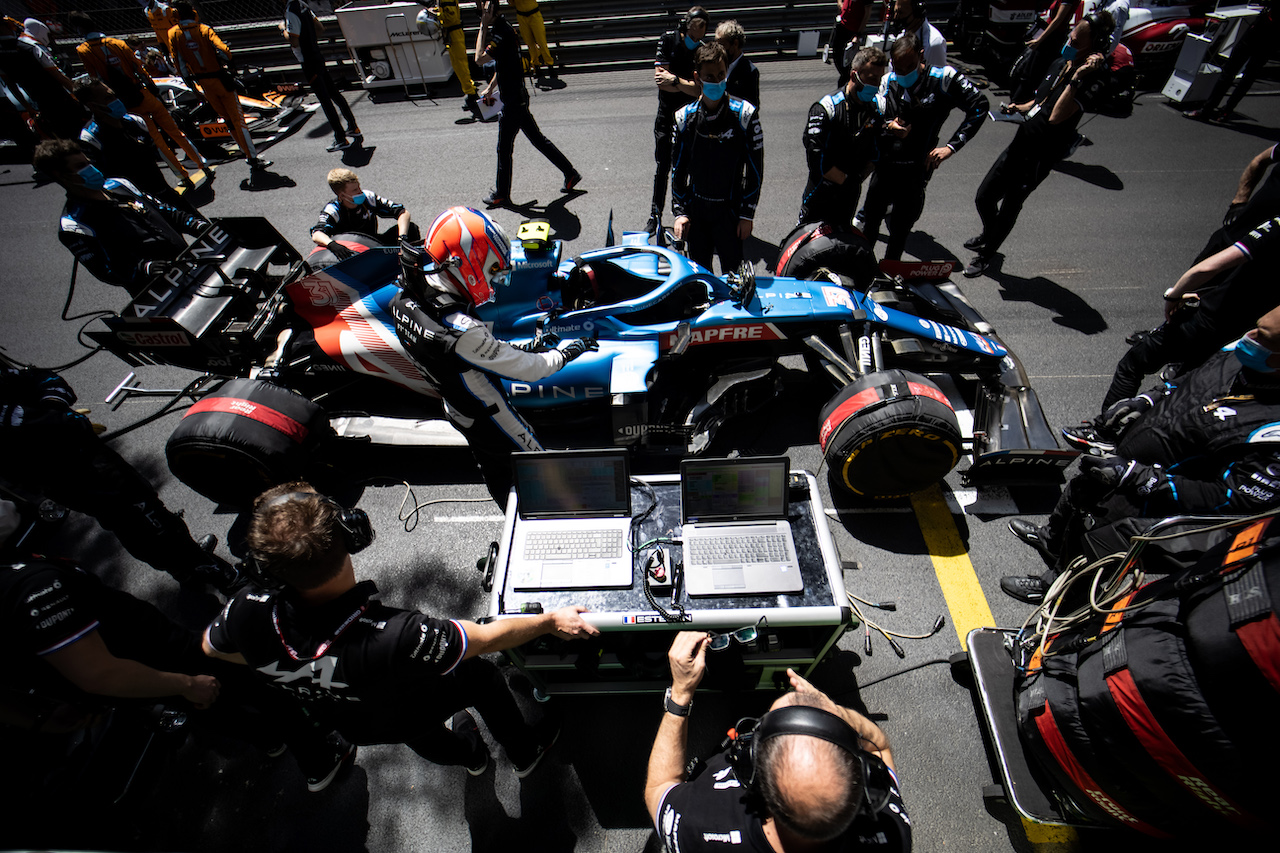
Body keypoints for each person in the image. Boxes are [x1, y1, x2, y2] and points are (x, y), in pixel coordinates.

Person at [203, 483, 601, 779]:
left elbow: (212, 648)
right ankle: (525, 752)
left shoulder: (242, 614)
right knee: (481, 675)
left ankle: (473, 757)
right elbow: (483, 639)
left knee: (420, 734)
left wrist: (280, 662)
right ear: (351, 536)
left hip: (358, 721)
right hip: (412, 697)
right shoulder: (396, 634)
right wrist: (550, 620)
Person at [1001, 305, 1280, 604]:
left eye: (1262, 336)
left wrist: (1143, 479)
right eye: (1255, 327)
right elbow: (1187, 381)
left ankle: (1055, 592)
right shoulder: (1240, 353)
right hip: (1128, 455)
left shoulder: (1272, 428)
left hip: (1151, 495)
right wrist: (1145, 401)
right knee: (1078, 494)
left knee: (1095, 539)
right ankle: (1051, 541)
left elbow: (1235, 499)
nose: (1250, 336)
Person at [392, 206, 598, 503]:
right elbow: (531, 370)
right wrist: (566, 352)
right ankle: (558, 516)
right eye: (493, 270)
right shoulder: (460, 330)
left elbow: (477, 352)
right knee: (538, 463)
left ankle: (511, 508)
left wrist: (525, 346)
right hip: (488, 411)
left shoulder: (405, 293)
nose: (495, 279)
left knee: (493, 467)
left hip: (456, 407)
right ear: (466, 264)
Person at [647, 632, 912, 852]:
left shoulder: (701, 825)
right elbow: (879, 748)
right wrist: (837, 714)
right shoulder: (891, 835)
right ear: (866, 783)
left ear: (750, 769)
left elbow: (660, 789)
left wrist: (680, 694)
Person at [0, 362, 239, 591]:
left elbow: (41, 378)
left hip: (82, 454)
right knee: (140, 516)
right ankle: (208, 568)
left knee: (140, 512)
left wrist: (54, 406)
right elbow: (57, 424)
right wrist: (61, 419)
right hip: (66, 473)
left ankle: (184, 567)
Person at [1063, 213, 1280, 450]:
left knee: (1134, 362)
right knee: (1184, 390)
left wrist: (1174, 295)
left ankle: (1106, 431)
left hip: (1210, 318)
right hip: (1242, 338)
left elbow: (1212, 265)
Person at [964, 12, 1114, 278]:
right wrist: (1016, 108)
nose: (1070, 42)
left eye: (1076, 41)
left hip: (1039, 157)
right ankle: (990, 233)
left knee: (1011, 204)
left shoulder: (1090, 80)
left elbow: (1056, 116)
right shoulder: (1059, 63)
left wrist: (1078, 76)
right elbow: (1039, 103)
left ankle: (986, 255)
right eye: (1071, 36)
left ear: (1094, 46)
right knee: (984, 196)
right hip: (1020, 142)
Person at [859, 34, 987, 261]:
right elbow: (870, 115)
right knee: (869, 226)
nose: (904, 73)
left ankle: (889, 272)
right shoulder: (888, 81)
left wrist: (951, 147)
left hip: (915, 171)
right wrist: (889, 125)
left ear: (921, 56)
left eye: (909, 67)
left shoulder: (944, 79)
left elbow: (979, 106)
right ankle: (863, 274)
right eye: (898, 68)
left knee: (899, 232)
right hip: (885, 168)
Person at [35, 139, 210, 296]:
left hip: (190, 264)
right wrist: (145, 267)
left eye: (88, 163)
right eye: (81, 166)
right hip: (157, 292)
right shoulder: (73, 225)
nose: (90, 169)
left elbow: (166, 211)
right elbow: (104, 270)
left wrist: (198, 225)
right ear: (61, 175)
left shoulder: (120, 185)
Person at [70, 11, 213, 187]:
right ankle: (202, 163)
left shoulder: (84, 50)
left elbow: (95, 80)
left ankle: (183, 176)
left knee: (159, 142)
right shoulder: (118, 44)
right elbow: (139, 67)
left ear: (78, 29)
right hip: (143, 94)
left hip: (125, 103)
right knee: (176, 132)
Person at [475, 0, 580, 208]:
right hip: (516, 97)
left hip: (513, 101)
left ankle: (501, 194)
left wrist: (482, 26)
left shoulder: (498, 32)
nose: (481, 10)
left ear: (492, 11)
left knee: (504, 149)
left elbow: (479, 59)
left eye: (485, 8)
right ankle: (570, 173)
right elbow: (505, 63)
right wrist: (491, 87)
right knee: (538, 141)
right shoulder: (505, 29)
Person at [670, 41, 764, 274]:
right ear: (697, 77)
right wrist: (680, 212)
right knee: (700, 278)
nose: (716, 81)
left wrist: (746, 214)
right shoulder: (684, 118)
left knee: (734, 279)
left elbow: (755, 170)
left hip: (730, 213)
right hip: (697, 211)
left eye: (721, 75)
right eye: (709, 76)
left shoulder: (745, 115)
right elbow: (678, 170)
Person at [167, 1, 270, 171]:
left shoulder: (173, 34)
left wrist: (193, 88)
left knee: (228, 121)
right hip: (221, 81)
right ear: (193, 13)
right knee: (238, 121)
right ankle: (252, 157)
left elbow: (179, 65)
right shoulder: (204, 30)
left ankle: (246, 153)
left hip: (204, 85)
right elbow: (224, 51)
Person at [75, 78, 199, 213]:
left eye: (114, 95)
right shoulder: (91, 139)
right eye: (108, 98)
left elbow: (153, 151)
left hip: (163, 192)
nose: (115, 101)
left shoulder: (135, 122)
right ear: (92, 105)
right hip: (137, 206)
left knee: (205, 228)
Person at [798, 46, 888, 229]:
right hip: (820, 191)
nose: (876, 85)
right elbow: (816, 158)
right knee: (804, 244)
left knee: (840, 244)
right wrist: (845, 180)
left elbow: (877, 149)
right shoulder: (826, 108)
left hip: (850, 193)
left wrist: (856, 179)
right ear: (855, 75)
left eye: (879, 79)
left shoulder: (876, 108)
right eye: (871, 79)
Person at [649, 6, 710, 235]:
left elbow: (699, 91)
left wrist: (674, 79)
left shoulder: (703, 51)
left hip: (690, 118)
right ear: (687, 23)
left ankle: (682, 215)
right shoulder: (667, 40)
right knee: (662, 166)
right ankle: (655, 213)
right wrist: (685, 85)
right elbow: (660, 80)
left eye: (705, 25)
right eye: (698, 24)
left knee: (684, 167)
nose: (701, 29)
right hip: (666, 116)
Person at [282, 0, 363, 152]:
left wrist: (283, 31)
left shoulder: (291, 10)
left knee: (325, 100)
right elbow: (320, 28)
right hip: (317, 56)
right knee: (334, 94)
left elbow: (293, 41)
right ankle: (353, 127)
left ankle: (340, 138)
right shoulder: (302, 4)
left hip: (308, 61)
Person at [1183, 0, 1277, 123]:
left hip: (1260, 31)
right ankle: (1226, 111)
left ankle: (1208, 110)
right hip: (1272, 38)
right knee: (1248, 76)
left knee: (1230, 72)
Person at [0, 16, 86, 140]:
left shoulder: (2, 54)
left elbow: (10, 84)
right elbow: (59, 77)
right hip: (61, 100)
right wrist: (80, 96)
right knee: (78, 133)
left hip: (40, 104)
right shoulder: (30, 47)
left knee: (61, 136)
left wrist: (28, 108)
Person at [311, 167, 415, 257]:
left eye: (359, 187)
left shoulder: (369, 198)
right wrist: (332, 244)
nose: (360, 192)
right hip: (351, 251)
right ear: (342, 195)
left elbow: (403, 212)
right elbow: (317, 234)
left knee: (411, 228)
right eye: (355, 190)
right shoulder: (333, 209)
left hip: (373, 244)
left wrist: (402, 238)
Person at [1010, 0, 1078, 104]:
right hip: (1048, 33)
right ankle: (1017, 102)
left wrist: (1039, 40)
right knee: (1028, 70)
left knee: (1034, 72)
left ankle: (1020, 104)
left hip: (1052, 37)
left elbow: (1058, 20)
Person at [439, 0, 482, 118]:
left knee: (460, 65)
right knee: (458, 66)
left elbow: (451, 17)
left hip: (454, 32)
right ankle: (470, 92)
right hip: (451, 32)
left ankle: (472, 95)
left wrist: (436, 15)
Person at [886, 0, 946, 69]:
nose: (896, 17)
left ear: (917, 13)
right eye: (895, 12)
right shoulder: (901, 36)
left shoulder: (934, 43)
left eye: (901, 13)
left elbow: (937, 76)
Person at [717, 20, 760, 110]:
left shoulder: (749, 71)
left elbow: (752, 107)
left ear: (735, 44)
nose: (718, 50)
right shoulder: (716, 66)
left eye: (722, 45)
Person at [828, 0, 872, 87]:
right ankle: (845, 81)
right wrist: (841, 4)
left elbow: (867, 14)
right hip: (841, 26)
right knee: (837, 56)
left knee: (848, 63)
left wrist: (858, 35)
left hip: (853, 31)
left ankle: (847, 84)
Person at [510, 0, 555, 81]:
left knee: (541, 42)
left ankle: (550, 65)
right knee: (530, 44)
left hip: (534, 15)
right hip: (521, 16)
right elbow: (511, 4)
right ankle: (536, 67)